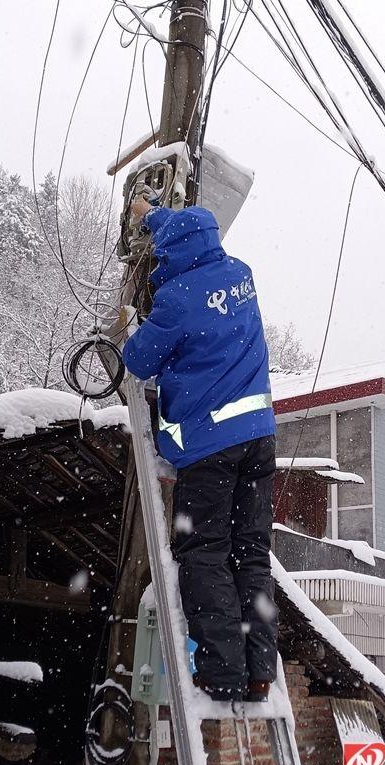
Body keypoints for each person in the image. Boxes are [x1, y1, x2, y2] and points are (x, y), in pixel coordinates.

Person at [122, 198, 278, 703]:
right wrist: (152, 212)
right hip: (259, 438)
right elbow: (188, 231)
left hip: (210, 447)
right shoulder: (240, 274)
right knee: (251, 553)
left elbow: (139, 360)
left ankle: (221, 671)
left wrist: (131, 324)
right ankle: (258, 673)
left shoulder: (176, 299)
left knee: (204, 553)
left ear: (172, 253)